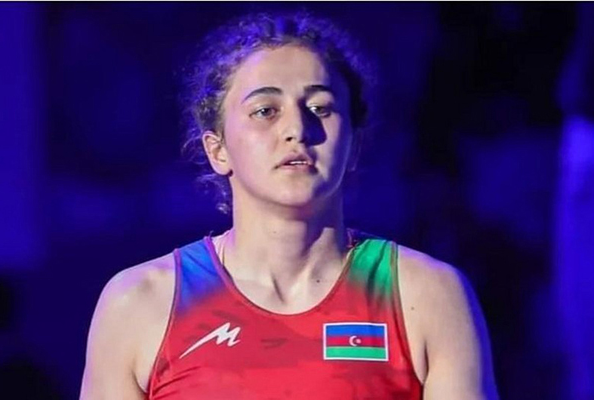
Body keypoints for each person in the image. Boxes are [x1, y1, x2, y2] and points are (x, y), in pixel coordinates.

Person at [80, 11, 498, 400]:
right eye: (266, 110)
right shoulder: (139, 304)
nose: (297, 128)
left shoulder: (428, 296)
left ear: (353, 144)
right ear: (217, 149)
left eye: (321, 108)